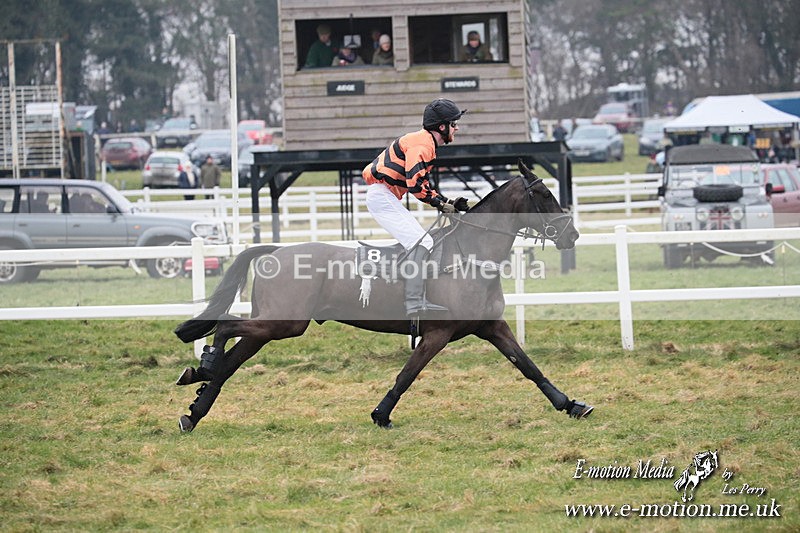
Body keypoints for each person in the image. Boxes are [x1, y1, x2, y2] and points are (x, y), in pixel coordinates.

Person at [362, 98, 469, 316]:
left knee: (420, 241)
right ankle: (413, 302)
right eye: (453, 124)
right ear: (442, 127)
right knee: (423, 241)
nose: (456, 128)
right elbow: (415, 185)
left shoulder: (423, 142)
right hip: (382, 197)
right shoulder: (423, 145)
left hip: (384, 196)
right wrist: (440, 204)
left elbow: (421, 184)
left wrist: (445, 202)